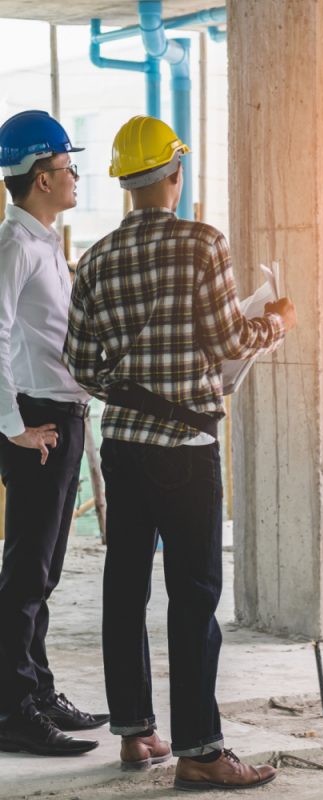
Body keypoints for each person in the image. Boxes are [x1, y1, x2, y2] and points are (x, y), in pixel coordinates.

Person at [63, 115, 296, 788]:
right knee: (193, 596)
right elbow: (228, 340)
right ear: (176, 175)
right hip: (188, 449)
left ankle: (137, 735)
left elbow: (80, 362)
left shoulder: (97, 259)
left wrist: (131, 388)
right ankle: (199, 749)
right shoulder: (202, 244)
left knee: (124, 590)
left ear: (126, 184)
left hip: (124, 448)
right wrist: (278, 321)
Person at [0, 110, 109, 757]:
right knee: (26, 573)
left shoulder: (44, 244)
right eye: (69, 168)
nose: (76, 177)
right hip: (36, 422)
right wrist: (13, 426)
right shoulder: (16, 247)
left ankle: (35, 689)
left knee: (44, 573)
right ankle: (12, 708)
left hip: (62, 417)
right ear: (43, 177)